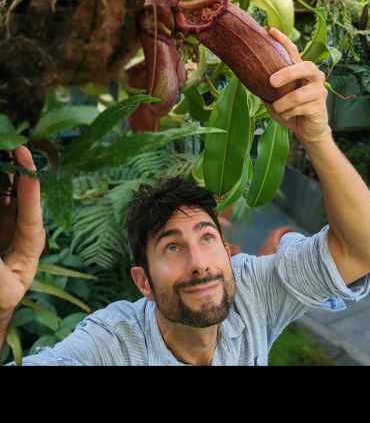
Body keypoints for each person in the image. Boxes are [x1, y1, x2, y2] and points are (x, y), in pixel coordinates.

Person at [1, 28, 370, 365]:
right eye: (171, 248)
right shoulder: (113, 345)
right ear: (143, 282)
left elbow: (359, 251)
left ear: (228, 256)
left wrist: (316, 138)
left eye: (207, 238)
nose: (198, 263)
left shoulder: (254, 294)